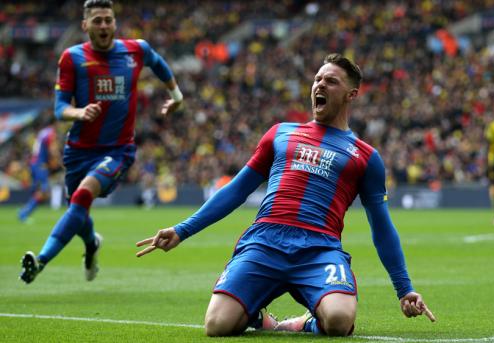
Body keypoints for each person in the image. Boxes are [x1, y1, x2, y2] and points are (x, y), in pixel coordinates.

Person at [136, 53, 435, 337]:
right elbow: (238, 188)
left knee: (339, 321)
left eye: (331, 81)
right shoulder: (280, 133)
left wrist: (404, 288)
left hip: (319, 248)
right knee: (217, 325)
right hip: (265, 241)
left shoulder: (366, 156)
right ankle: (258, 316)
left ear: (351, 94)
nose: (320, 84)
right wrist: (182, 230)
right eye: (318, 79)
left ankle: (305, 324)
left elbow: (381, 226)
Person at [19, 0, 184, 284]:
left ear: (115, 23)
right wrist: (79, 112)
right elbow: (59, 108)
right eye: (97, 20)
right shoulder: (72, 58)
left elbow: (157, 63)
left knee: (82, 197)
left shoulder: (136, 50)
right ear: (85, 26)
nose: (104, 25)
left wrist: (176, 95)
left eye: (108, 19)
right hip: (78, 151)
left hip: (117, 150)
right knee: (78, 210)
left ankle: (41, 261)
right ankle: (91, 245)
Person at [18, 119, 62, 222]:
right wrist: (59, 161)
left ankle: (24, 210)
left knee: (37, 190)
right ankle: (24, 213)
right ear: (54, 123)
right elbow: (53, 150)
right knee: (44, 191)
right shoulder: (51, 132)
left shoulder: (42, 132)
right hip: (40, 165)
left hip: (34, 163)